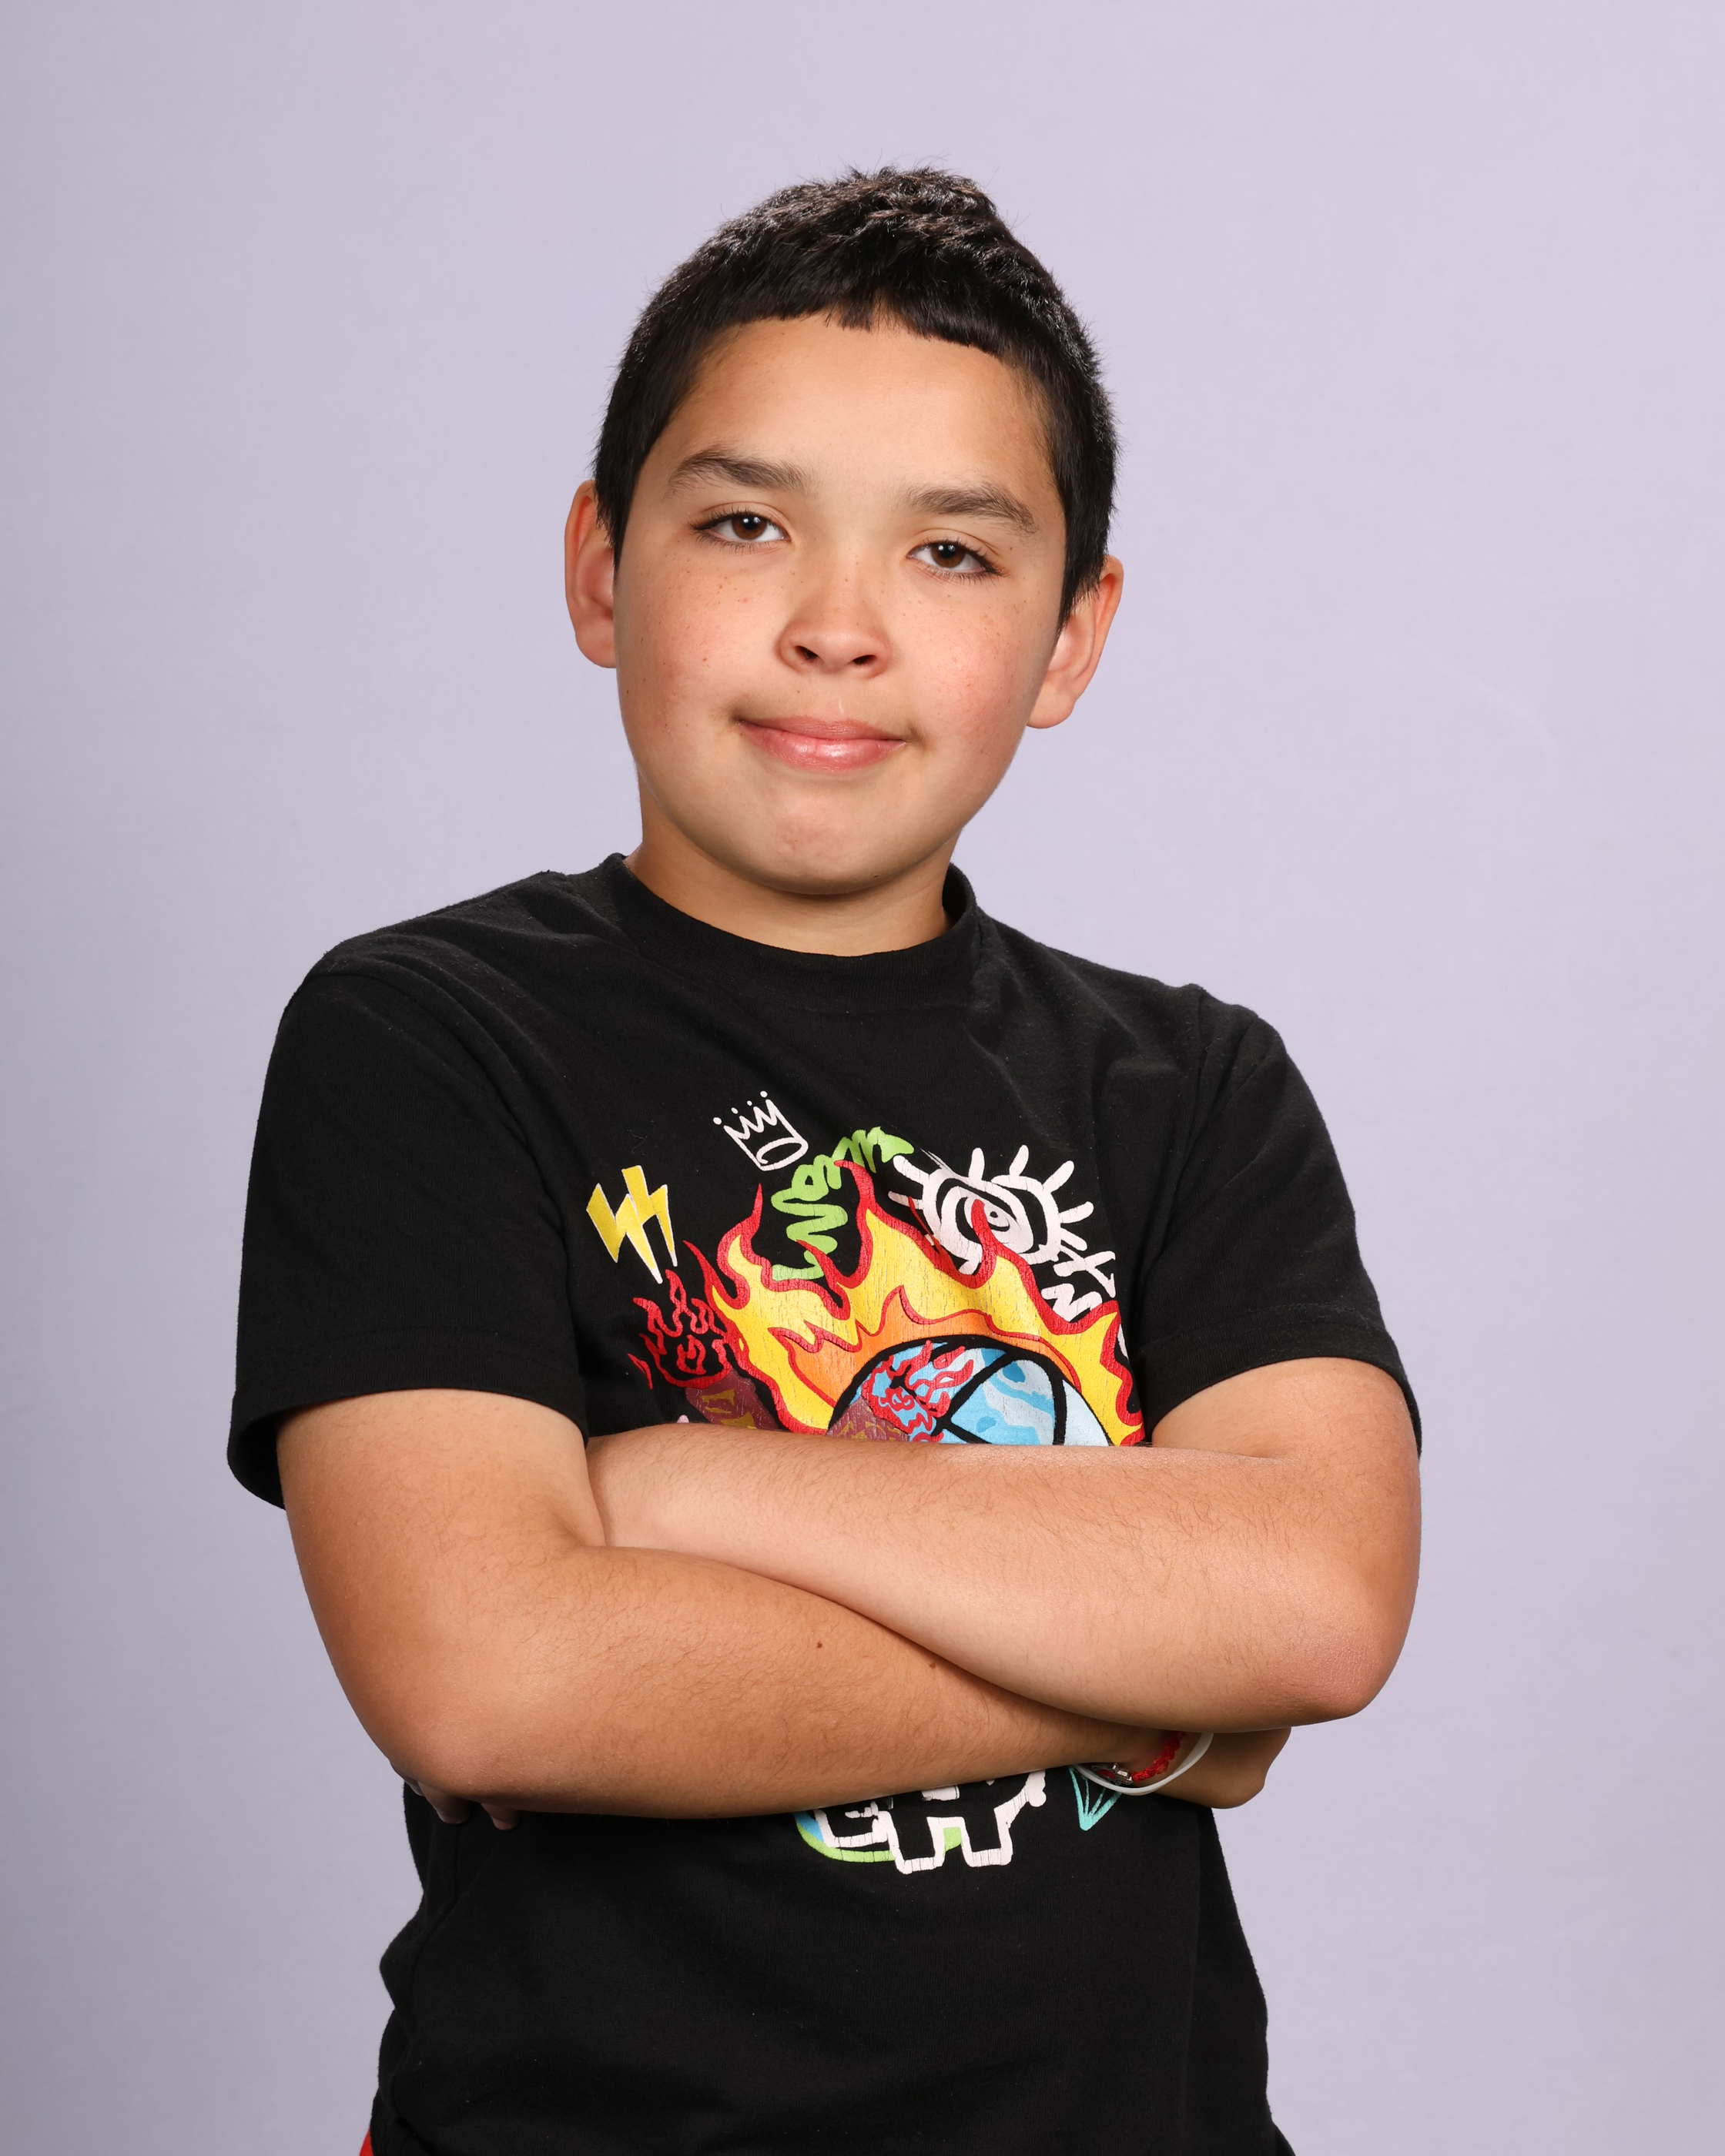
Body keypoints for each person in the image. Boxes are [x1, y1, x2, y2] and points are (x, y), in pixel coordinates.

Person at [229, 167, 1421, 2156]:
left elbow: (1316, 1601)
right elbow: (487, 1679)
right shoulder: (426, 1038)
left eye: (951, 552)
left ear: (1072, 635)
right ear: (601, 569)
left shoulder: (1194, 1086)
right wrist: (1162, 1686)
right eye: (746, 523)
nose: (838, 628)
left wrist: (677, 1490)